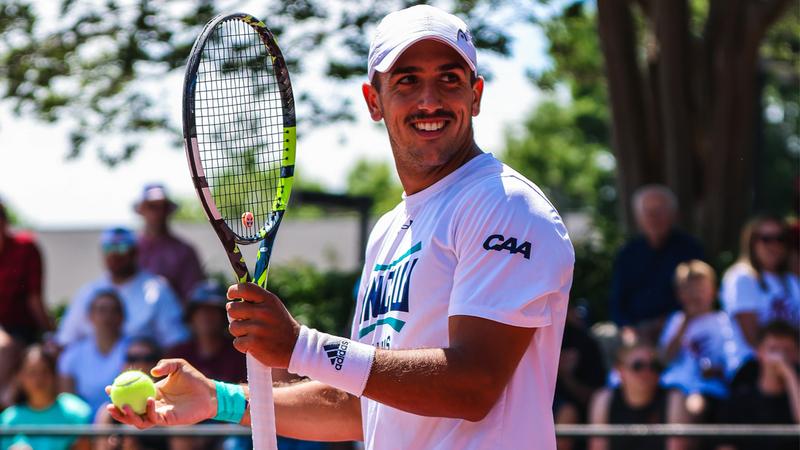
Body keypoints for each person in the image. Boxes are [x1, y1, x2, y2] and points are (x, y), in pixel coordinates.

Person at [107, 5, 576, 450]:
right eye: (407, 80)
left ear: (476, 95)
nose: (429, 100)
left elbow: (472, 385)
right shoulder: (390, 230)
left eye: (449, 79)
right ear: (374, 100)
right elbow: (359, 402)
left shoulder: (505, 205)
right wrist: (220, 399)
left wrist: (300, 346)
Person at [55, 227, 189, 349]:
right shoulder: (88, 292)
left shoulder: (158, 290)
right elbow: (66, 339)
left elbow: (175, 341)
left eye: (122, 247)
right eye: (108, 248)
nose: (114, 254)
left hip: (143, 365)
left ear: (135, 252)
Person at [658, 260, 751, 423]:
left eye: (700, 288)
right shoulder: (676, 321)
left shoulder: (723, 321)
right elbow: (664, 358)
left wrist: (716, 370)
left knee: (695, 403)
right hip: (675, 383)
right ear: (679, 294)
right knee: (676, 396)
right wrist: (685, 323)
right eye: (689, 289)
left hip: (708, 386)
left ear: (714, 291)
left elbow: (731, 360)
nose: (695, 295)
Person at [610, 185, 704, 343]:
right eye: (647, 212)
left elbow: (698, 297)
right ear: (638, 217)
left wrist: (669, 323)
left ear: (673, 214)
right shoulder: (627, 254)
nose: (653, 218)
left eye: (660, 211)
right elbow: (617, 303)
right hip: (637, 330)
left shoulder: (690, 250)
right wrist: (628, 331)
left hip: (680, 327)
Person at [165, 280, 248, 450]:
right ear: (191, 316)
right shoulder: (179, 352)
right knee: (181, 435)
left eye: (213, 311)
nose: (207, 317)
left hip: (228, 422)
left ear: (224, 318)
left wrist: (207, 435)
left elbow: (245, 400)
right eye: (201, 311)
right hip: (187, 418)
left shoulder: (239, 352)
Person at [716, 321, 800, 450]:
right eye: (773, 350)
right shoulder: (739, 400)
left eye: (787, 350)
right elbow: (725, 445)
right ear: (759, 352)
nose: (780, 358)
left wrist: (790, 376)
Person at [0, 198, 53, 399]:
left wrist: (51, 334)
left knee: (4, 347)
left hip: (22, 332)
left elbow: (34, 299)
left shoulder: (25, 248)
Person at [721, 215, 800, 348]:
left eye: (780, 239)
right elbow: (753, 339)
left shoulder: (791, 281)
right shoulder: (742, 277)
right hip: (752, 358)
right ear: (752, 242)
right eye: (766, 239)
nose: (774, 245)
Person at [0, 345, 92, 450]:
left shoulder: (76, 411)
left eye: (44, 371)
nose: (38, 379)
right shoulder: (8, 419)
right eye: (32, 372)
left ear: (54, 374)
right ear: (19, 376)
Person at [588, 343, 674, 450]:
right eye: (638, 366)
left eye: (654, 366)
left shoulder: (673, 398)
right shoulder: (604, 399)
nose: (647, 372)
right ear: (619, 370)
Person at [58, 288, 130, 414]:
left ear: (122, 317)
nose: (108, 316)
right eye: (102, 310)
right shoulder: (72, 355)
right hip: (83, 423)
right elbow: (67, 402)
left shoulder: (137, 351)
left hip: (123, 420)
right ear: (90, 316)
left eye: (114, 310)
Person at [94, 336, 170, 450]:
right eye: (132, 358)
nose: (140, 364)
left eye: (148, 358)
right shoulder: (107, 413)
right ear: (123, 365)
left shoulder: (171, 410)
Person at [135, 183, 205, 303]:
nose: (159, 213)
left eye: (164, 207)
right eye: (152, 206)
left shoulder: (184, 251)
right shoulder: (129, 250)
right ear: (141, 210)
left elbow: (193, 297)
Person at [554, 303, 608, 450]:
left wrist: (565, 376)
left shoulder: (584, 343)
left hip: (578, 417)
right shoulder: (522, 334)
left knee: (567, 412)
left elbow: (593, 396)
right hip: (529, 408)